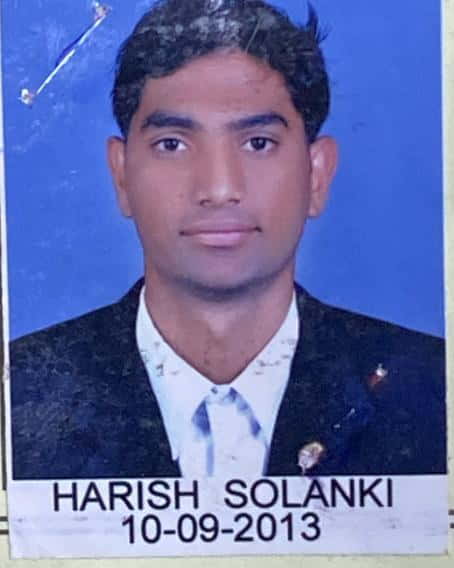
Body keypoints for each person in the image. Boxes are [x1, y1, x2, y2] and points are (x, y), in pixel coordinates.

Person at [10, 0, 446, 479]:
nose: (218, 189)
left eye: (258, 143)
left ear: (317, 174)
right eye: (172, 144)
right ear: (121, 175)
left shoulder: (431, 390)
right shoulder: (20, 393)